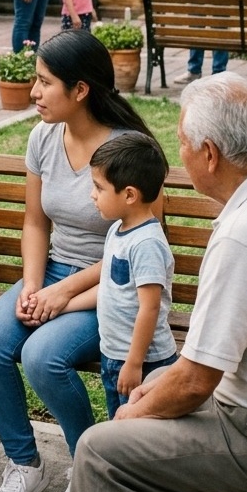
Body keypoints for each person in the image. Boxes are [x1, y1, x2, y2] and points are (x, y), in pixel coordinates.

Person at [58, 72, 247, 492]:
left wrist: (135, 410)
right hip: (246, 407)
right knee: (169, 412)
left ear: (210, 154)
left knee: (105, 449)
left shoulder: (246, 231)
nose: (179, 155)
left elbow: (197, 380)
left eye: (183, 143)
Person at [0, 30, 157, 492]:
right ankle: (23, 464)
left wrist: (65, 291)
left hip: (114, 283)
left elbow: (135, 247)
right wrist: (33, 284)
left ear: (80, 90)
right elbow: (36, 220)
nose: (33, 92)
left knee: (42, 355)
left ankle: (88, 466)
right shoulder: (43, 137)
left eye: (44, 82)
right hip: (52, 272)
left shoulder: (128, 151)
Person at [87, 133, 177, 418]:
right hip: (115, 354)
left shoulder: (146, 244)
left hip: (144, 361)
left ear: (129, 195)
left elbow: (149, 308)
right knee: (119, 422)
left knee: (134, 429)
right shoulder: (118, 229)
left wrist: (134, 362)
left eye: (98, 188)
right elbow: (110, 288)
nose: (92, 194)